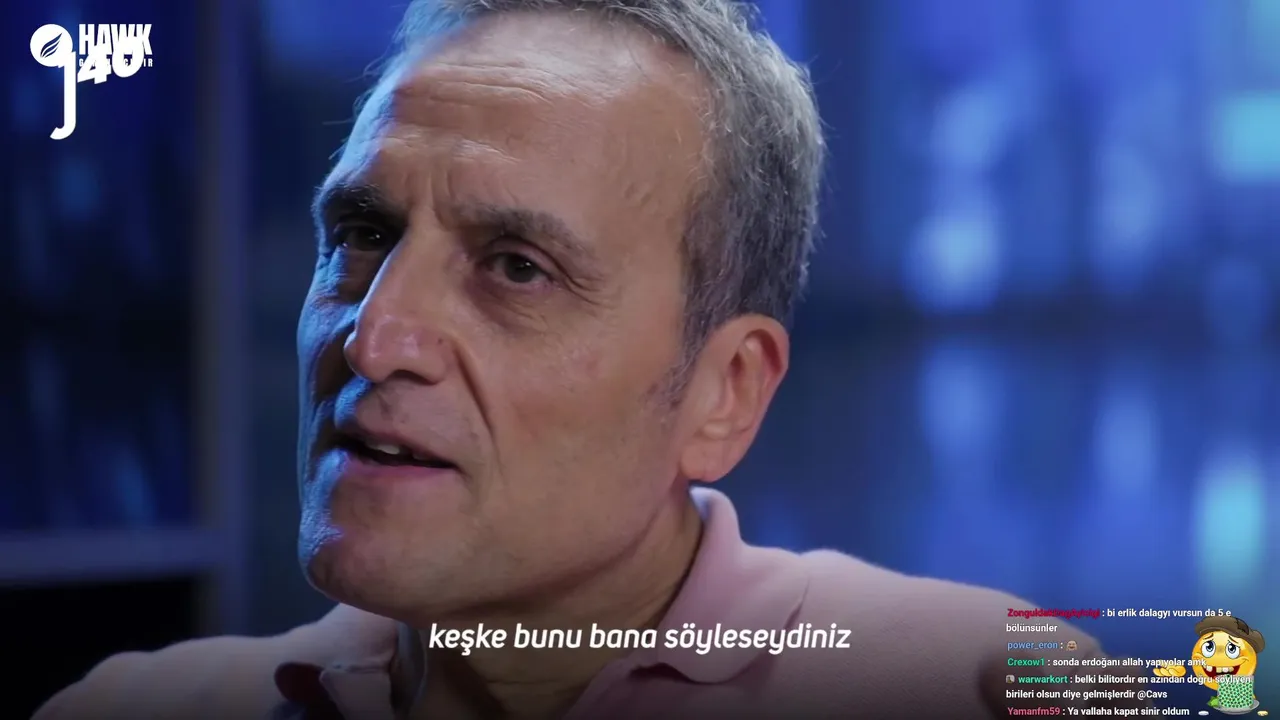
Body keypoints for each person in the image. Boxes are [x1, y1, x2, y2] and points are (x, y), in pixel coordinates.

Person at [36, 1, 1143, 718]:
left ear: (724, 394)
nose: (372, 339)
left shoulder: (988, 678)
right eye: (363, 235)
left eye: (517, 269)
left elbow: (1205, 676)